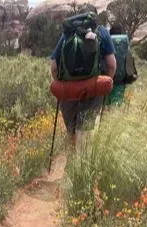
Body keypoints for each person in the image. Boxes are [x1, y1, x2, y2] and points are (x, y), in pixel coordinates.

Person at [49, 13, 117, 149]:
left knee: (71, 131)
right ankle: (82, 164)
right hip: (92, 90)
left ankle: (72, 158)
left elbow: (54, 67)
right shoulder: (101, 31)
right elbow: (111, 65)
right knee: (85, 131)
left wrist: (63, 85)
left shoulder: (67, 34)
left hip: (68, 92)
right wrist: (104, 84)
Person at [106, 23, 137, 107]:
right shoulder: (125, 42)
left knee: (105, 103)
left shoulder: (107, 41)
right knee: (117, 103)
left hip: (106, 77)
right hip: (121, 78)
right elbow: (129, 59)